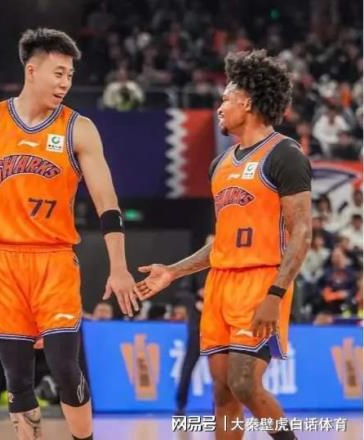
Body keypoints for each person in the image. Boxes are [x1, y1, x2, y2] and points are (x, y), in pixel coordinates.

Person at [0, 28, 138, 440]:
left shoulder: (79, 129)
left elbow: (107, 203)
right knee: (16, 381)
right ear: (31, 71)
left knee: (65, 368)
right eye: (58, 73)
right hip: (1, 261)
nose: (65, 83)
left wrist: (119, 267)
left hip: (54, 260)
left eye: (70, 75)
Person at [135, 50, 312, 440]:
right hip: (220, 283)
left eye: (226, 99)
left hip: (261, 280)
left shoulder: (285, 155)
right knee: (222, 391)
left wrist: (276, 293)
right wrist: (173, 272)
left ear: (246, 103)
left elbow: (302, 232)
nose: (219, 107)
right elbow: (221, 243)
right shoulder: (220, 164)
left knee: (245, 383)